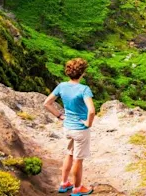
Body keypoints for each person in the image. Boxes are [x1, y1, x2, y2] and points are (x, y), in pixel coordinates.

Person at [44, 58, 96, 195]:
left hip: (67, 127)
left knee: (69, 154)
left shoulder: (62, 86)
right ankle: (78, 189)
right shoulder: (84, 89)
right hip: (80, 130)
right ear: (82, 73)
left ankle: (64, 183)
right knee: (78, 160)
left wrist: (59, 115)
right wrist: (88, 123)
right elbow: (91, 111)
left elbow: (47, 103)